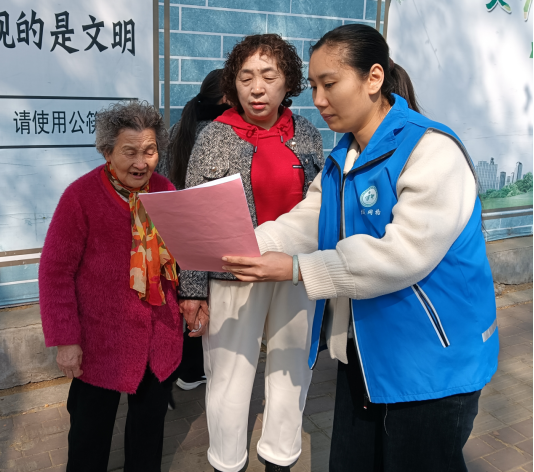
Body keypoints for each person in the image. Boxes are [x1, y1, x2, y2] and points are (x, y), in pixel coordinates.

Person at [222, 24, 499, 472]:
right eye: (314, 86)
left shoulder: (431, 151)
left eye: (329, 84)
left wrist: (296, 269)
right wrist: (235, 247)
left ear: (373, 78)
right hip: (365, 355)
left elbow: (401, 255)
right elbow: (306, 220)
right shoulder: (344, 158)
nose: (318, 99)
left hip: (432, 363)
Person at [180, 34, 324, 472]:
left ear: (288, 83)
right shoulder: (214, 135)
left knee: (291, 367)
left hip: (293, 270)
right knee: (228, 374)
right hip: (233, 273)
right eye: (246, 78)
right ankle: (227, 459)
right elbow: (193, 218)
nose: (257, 88)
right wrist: (193, 290)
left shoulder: (306, 133)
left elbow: (321, 203)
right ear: (233, 84)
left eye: (268, 76)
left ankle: (281, 453)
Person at [39, 101, 183, 472]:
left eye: (149, 151)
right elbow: (55, 272)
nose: (141, 163)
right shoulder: (80, 197)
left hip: (157, 337)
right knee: (89, 434)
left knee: (148, 433)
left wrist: (192, 300)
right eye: (129, 152)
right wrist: (66, 340)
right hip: (99, 340)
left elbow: (181, 256)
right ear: (107, 152)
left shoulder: (164, 190)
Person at [156, 70, 231, 394]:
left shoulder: (178, 129)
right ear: (227, 98)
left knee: (186, 301)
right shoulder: (222, 134)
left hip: (175, 234)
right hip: (209, 238)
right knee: (204, 304)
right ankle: (197, 371)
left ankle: (184, 371)